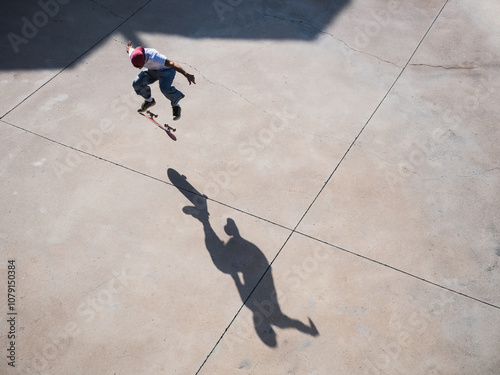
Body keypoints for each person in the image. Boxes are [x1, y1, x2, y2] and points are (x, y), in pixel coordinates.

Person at [126, 41, 196, 120]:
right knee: (136, 83)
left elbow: (172, 64)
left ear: (144, 59)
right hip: (152, 70)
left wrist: (186, 74)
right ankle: (149, 101)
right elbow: (129, 49)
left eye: (140, 66)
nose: (139, 68)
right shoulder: (133, 55)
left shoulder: (155, 57)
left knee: (165, 89)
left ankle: (176, 106)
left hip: (166, 71)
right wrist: (128, 47)